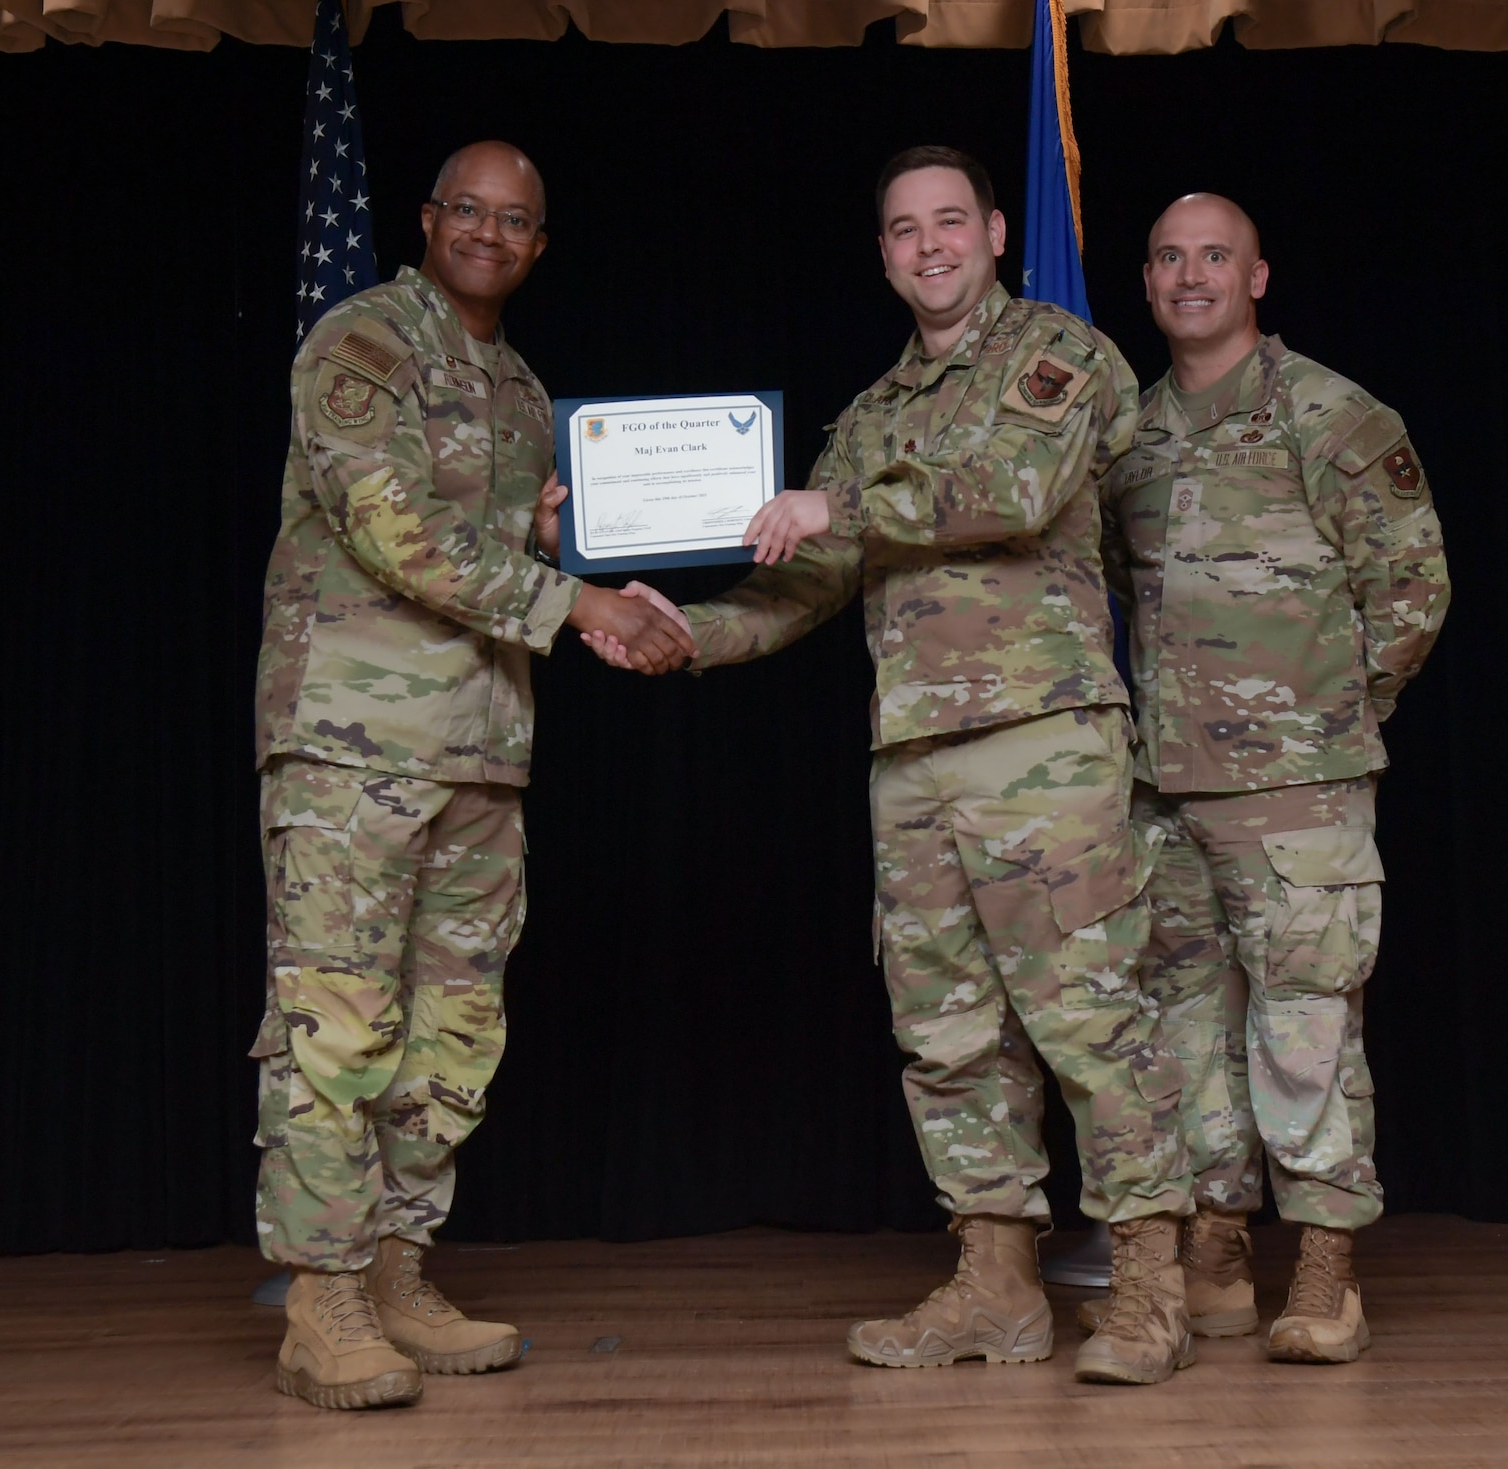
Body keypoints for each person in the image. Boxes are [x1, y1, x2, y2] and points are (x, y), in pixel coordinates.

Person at [584, 146, 1197, 1387]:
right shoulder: (867, 419)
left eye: (948, 222)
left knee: (1089, 1018)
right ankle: (995, 1285)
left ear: (992, 229)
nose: (928, 245)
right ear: (881, 253)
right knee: (949, 1033)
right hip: (911, 760)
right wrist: (676, 630)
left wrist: (836, 509)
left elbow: (1014, 489)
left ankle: (1146, 1286)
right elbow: (805, 585)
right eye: (903, 229)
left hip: (1041, 741)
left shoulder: (1060, 355)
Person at [251, 140, 695, 1411]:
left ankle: (397, 1267)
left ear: (537, 245)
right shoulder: (364, 341)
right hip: (353, 739)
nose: (489, 235)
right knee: (337, 1022)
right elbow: (395, 531)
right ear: (430, 218)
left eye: (516, 222)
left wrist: (566, 537)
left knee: (451, 1025)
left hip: (479, 748)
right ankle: (320, 1299)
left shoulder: (519, 389)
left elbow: (493, 547)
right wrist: (578, 597)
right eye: (470, 212)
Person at [1079, 193, 1450, 1363]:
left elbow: (1412, 583)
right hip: (1164, 790)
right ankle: (1219, 1249)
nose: (1190, 276)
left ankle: (1327, 1268)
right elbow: (1106, 595)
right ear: (1144, 283)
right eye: (1169, 258)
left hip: (1299, 790)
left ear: (1256, 277)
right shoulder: (1127, 435)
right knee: (1186, 1026)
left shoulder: (1330, 415)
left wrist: (1333, 718)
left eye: (1214, 258)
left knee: (1302, 1025)